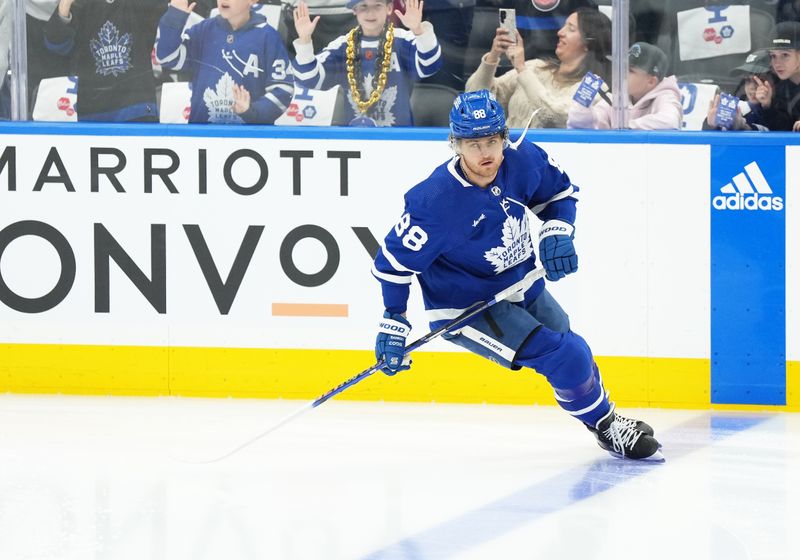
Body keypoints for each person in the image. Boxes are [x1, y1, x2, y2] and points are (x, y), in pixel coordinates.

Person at [371, 89, 663, 461]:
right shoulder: (434, 202)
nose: (486, 153)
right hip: (467, 306)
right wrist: (394, 320)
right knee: (569, 355)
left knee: (574, 352)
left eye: (492, 140)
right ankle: (607, 424)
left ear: (504, 137)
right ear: (454, 144)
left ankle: (603, 423)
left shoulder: (523, 159)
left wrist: (558, 230)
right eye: (474, 144)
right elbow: (392, 264)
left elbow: (559, 195)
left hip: (521, 280)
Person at [291, 0, 442, 126]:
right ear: (354, 10)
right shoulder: (342, 46)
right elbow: (309, 80)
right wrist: (305, 40)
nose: (371, 13)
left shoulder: (404, 40)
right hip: (354, 141)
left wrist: (418, 30)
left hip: (398, 138)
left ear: (389, 8)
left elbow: (430, 65)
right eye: (363, 6)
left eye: (377, 5)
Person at [465, 8, 610, 128]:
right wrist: (493, 56)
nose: (560, 32)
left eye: (570, 29)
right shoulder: (535, 67)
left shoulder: (594, 86)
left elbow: (556, 118)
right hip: (506, 154)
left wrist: (521, 68)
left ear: (588, 43)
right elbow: (474, 99)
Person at [156, 0, 294, 124]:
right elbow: (167, 58)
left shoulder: (267, 36)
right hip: (201, 135)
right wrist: (174, 17)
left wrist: (252, 112)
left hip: (249, 137)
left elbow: (283, 89)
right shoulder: (203, 30)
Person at [43, 0, 166, 121]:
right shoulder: (80, 5)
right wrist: (65, 5)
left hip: (137, 110)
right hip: (90, 115)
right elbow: (56, 44)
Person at [567, 42, 682, 130]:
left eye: (630, 70)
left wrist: (623, 128)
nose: (622, 74)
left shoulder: (666, 96)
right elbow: (580, 125)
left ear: (651, 81)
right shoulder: (617, 98)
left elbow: (670, 121)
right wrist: (582, 102)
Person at [703, 51, 776, 131]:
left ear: (775, 82)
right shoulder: (735, 107)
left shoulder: (784, 110)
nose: (751, 87)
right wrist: (711, 125)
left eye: (760, 80)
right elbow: (706, 141)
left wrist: (767, 107)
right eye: (747, 80)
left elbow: (780, 134)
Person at [758, 21, 800, 132]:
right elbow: (783, 131)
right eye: (773, 56)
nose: (777, 63)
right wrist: (767, 105)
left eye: (785, 55)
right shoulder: (780, 89)